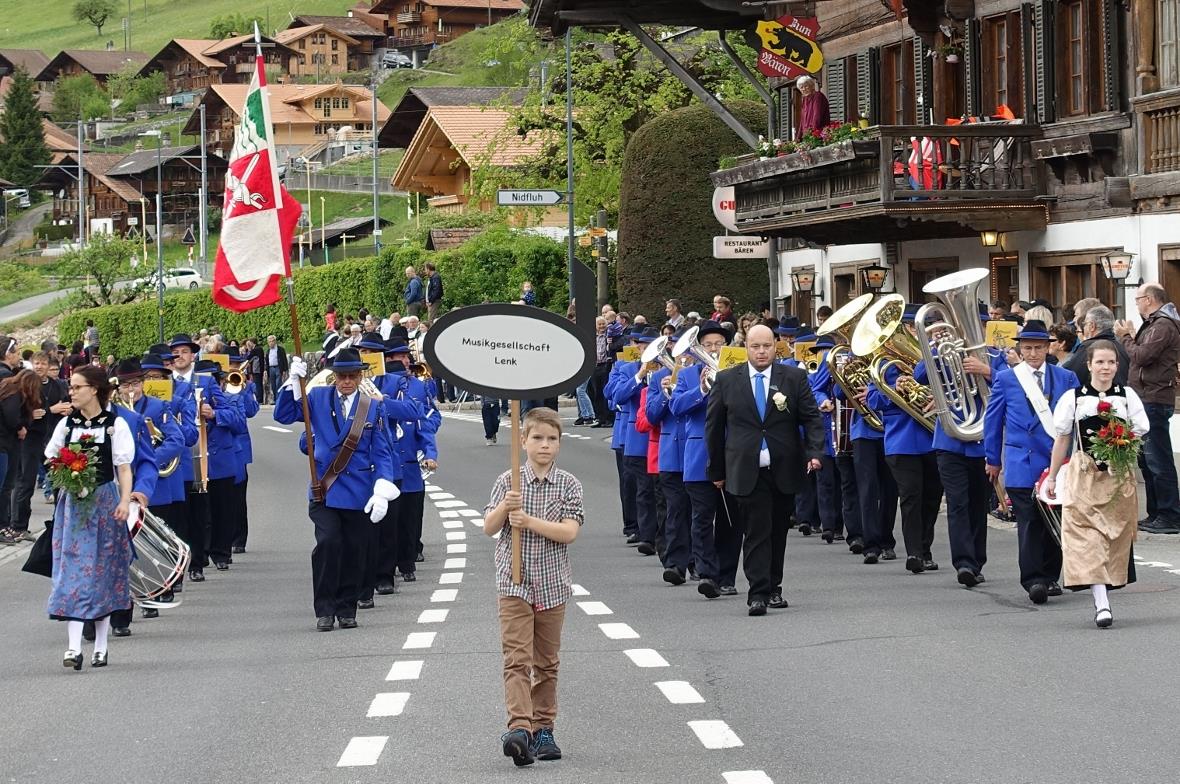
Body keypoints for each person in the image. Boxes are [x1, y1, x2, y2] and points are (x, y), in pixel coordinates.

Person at [483, 407, 583, 767]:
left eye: (551, 439)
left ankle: (544, 727)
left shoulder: (569, 484)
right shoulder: (507, 481)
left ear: (559, 443)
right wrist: (505, 509)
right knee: (516, 658)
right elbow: (489, 527)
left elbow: (569, 532)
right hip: (515, 583)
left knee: (547, 661)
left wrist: (529, 520)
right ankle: (519, 729)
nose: (544, 445)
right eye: (537, 438)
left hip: (553, 583)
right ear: (523, 441)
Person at [275, 348, 400, 631]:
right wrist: (291, 383)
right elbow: (284, 415)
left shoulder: (372, 406)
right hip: (325, 490)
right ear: (334, 376)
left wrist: (382, 487)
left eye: (352, 375)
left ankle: (347, 609)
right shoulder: (318, 397)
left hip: (358, 492)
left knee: (355, 550)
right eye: (342, 375)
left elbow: (382, 451)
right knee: (329, 544)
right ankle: (325, 609)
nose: (346, 381)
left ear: (360, 376)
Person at [705, 324, 825, 616]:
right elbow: (714, 428)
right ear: (745, 347)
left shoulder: (794, 378)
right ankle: (757, 592)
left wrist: (814, 452)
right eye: (755, 346)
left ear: (776, 347)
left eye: (767, 346)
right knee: (757, 530)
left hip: (783, 466)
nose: (761, 351)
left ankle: (774, 587)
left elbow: (810, 418)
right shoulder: (726, 380)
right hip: (745, 468)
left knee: (777, 531)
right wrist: (717, 471)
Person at [1045, 341, 1149, 628]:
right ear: (1089, 365)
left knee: (1113, 537)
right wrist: (1053, 476)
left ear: (1117, 366)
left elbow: (1139, 433)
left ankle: (1107, 590)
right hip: (1085, 474)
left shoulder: (1126, 397)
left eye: (1111, 363)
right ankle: (1101, 604)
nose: (1106, 368)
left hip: (1116, 477)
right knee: (1085, 538)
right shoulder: (1074, 398)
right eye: (1100, 362)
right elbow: (1063, 439)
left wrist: (1123, 443)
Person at [984, 320, 1079, 603]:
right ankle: (1033, 579)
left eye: (1038, 347)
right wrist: (992, 459)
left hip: (1057, 462)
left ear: (1049, 348)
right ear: (1020, 349)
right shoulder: (1006, 378)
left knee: (1056, 520)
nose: (1033, 353)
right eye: (1027, 348)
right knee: (1029, 522)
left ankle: (1051, 576)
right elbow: (993, 421)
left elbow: (1076, 420)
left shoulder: (1066, 379)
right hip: (1021, 461)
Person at [46, 366, 134, 670]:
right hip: (73, 505)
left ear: (93, 389)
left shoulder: (114, 425)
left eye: (76, 387)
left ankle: (101, 645)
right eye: (71, 387)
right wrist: (67, 473)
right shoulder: (66, 425)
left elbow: (123, 467)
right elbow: (52, 458)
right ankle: (72, 647)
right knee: (72, 568)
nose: (71, 392)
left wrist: (124, 501)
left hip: (105, 501)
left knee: (102, 569)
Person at [867, 307, 942, 574]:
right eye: (906, 328)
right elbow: (873, 400)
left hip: (933, 438)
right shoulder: (884, 365)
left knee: (932, 496)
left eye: (912, 328)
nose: (910, 333)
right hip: (901, 441)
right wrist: (895, 391)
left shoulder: (934, 360)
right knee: (911, 497)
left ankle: (926, 548)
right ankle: (915, 553)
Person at [669, 320, 733, 598]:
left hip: (733, 453)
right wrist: (703, 389)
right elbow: (676, 406)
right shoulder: (686, 375)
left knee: (732, 521)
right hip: (699, 455)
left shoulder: (738, 372)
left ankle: (727, 576)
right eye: (707, 345)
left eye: (719, 344)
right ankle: (707, 573)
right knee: (703, 517)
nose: (713, 349)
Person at [1113, 283, 1180, 534]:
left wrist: (1126, 337)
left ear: (1150, 299)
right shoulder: (1156, 322)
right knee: (1147, 460)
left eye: (1139, 299)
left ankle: (1170, 514)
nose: (1137, 303)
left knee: (1158, 460)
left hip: (1153, 398)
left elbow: (1142, 356)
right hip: (1146, 397)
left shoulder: (1162, 324)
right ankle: (1157, 513)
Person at [0, 370, 40, 544]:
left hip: (6, 444)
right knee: (5, 487)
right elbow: (11, 417)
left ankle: (5, 524)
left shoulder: (7, 387)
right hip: (5, 444)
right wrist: (21, 426)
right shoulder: (15, 393)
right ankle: (2, 525)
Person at [795, 75, 830, 140]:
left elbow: (817, 117)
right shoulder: (805, 100)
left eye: (806, 86)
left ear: (812, 86)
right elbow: (802, 121)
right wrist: (798, 138)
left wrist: (812, 134)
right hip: (808, 136)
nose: (804, 89)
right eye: (801, 87)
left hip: (818, 135)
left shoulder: (818, 96)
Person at [265, 335, 288, 403]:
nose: (271, 343)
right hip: (271, 368)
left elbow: (284, 359)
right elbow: (267, 361)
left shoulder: (280, 349)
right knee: (273, 384)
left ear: (275, 341)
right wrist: (266, 370)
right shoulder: (268, 351)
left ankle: (278, 398)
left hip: (278, 367)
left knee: (278, 383)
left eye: (272, 341)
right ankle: (275, 398)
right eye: (269, 342)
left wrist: (284, 369)